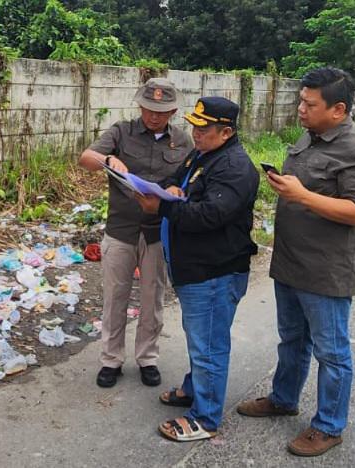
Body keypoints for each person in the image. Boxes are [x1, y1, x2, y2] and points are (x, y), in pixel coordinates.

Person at [236, 67, 355, 457]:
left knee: (332, 353)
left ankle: (329, 425)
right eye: (301, 100)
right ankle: (283, 398)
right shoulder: (310, 137)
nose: (300, 108)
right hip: (290, 263)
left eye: (309, 103)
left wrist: (301, 195)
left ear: (338, 110)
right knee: (292, 340)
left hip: (326, 272)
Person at [134, 96, 259, 441]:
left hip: (215, 272)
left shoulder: (234, 167)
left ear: (226, 132)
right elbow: (180, 179)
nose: (195, 132)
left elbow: (209, 216)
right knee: (199, 337)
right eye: (195, 125)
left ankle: (205, 418)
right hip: (195, 269)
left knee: (209, 345)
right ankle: (195, 389)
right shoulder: (203, 154)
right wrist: (172, 188)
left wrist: (162, 207)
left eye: (203, 128)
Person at [78, 78, 193, 388]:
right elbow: (86, 159)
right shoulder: (121, 131)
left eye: (162, 111)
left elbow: (191, 179)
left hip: (158, 231)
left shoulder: (184, 141)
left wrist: (176, 189)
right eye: (149, 109)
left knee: (152, 298)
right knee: (115, 296)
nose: (154, 116)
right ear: (140, 105)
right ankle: (111, 359)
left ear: (173, 111)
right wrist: (108, 159)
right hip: (121, 229)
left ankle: (147, 357)